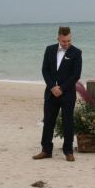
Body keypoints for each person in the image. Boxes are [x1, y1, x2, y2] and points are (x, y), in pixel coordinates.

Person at [33, 27, 82, 162]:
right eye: (64, 41)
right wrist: (52, 87)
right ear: (58, 38)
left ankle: (68, 151)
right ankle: (46, 150)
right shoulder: (49, 50)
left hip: (67, 94)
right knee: (48, 121)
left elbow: (76, 75)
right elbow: (45, 70)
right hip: (51, 93)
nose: (66, 43)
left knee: (68, 122)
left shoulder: (76, 52)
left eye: (69, 41)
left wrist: (62, 88)